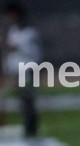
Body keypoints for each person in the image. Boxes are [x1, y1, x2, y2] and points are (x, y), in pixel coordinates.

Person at [3, 1, 41, 138]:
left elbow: (33, 52)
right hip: (17, 70)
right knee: (23, 100)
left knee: (28, 100)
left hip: (28, 69)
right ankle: (29, 128)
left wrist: (14, 47)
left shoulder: (29, 32)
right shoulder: (14, 31)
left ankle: (31, 129)